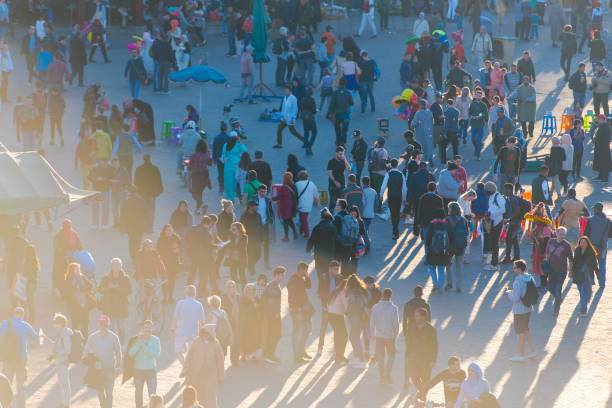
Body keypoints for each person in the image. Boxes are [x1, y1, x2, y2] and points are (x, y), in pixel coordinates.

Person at [0, 307, 38, 408]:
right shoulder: (25, 325)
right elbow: (35, 337)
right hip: (21, 359)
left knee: (6, 383)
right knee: (20, 384)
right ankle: (21, 406)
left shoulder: (4, 324)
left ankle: (7, 405)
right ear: (22, 314)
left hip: (7, 358)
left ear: (13, 314)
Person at [84, 314, 122, 408]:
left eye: (106, 325)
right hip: (98, 370)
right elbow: (86, 351)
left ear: (108, 325)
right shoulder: (93, 337)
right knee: (100, 393)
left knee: (109, 393)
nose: (104, 327)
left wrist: (117, 367)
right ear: (99, 325)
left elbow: (119, 353)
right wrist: (91, 362)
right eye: (102, 324)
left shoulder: (114, 337)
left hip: (110, 369)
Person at [182, 325, 224, 408]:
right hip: (196, 374)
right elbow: (189, 356)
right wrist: (185, 370)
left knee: (210, 397)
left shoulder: (216, 343)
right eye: (204, 333)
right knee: (197, 396)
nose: (205, 335)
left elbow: (220, 361)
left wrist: (220, 377)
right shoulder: (196, 341)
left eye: (207, 333)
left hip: (210, 375)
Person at [504, 259, 537, 361]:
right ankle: (532, 351)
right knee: (526, 330)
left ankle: (521, 354)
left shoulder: (517, 281)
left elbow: (516, 299)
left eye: (514, 268)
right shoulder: (530, 278)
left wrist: (509, 294)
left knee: (520, 333)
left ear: (519, 269)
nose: (513, 270)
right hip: (528, 308)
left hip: (519, 310)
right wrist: (513, 292)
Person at [98, 258, 132, 344]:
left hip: (121, 307)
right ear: (111, 267)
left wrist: (118, 288)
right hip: (109, 307)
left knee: (121, 327)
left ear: (121, 266)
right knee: (110, 327)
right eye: (114, 265)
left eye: (118, 265)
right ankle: (110, 344)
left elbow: (129, 291)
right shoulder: (106, 278)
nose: (116, 267)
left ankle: (122, 344)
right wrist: (108, 287)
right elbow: (100, 289)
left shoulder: (125, 278)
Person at [128, 320, 161, 408]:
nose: (147, 330)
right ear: (142, 329)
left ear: (153, 329)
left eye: (149, 328)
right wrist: (138, 344)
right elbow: (130, 353)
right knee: (138, 393)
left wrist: (143, 346)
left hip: (151, 371)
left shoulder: (156, 340)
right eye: (145, 328)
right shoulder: (137, 339)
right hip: (138, 371)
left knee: (152, 395)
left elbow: (155, 354)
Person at [405, 308, 438, 393]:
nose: (415, 317)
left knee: (425, 378)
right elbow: (408, 343)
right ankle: (422, 391)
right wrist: (407, 356)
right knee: (414, 376)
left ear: (423, 317)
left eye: (417, 316)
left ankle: (423, 396)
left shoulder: (431, 329)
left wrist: (433, 360)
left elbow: (434, 346)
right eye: (415, 316)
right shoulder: (411, 327)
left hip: (426, 359)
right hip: (414, 357)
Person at [171, 285, 206, 366]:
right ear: (195, 294)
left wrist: (172, 329)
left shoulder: (180, 303)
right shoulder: (199, 305)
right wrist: (202, 333)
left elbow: (175, 318)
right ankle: (190, 367)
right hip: (193, 332)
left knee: (177, 351)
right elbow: (202, 322)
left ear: (185, 293)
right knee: (191, 353)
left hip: (181, 331)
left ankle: (185, 365)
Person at [370, 287, 399, 382]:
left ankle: (381, 375)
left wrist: (372, 334)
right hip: (390, 336)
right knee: (391, 355)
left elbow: (372, 322)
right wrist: (396, 335)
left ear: (383, 295)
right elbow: (396, 324)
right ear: (391, 296)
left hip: (379, 336)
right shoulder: (394, 308)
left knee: (380, 357)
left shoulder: (375, 307)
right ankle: (387, 372)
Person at [287, 262, 313, 363]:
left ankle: (301, 351)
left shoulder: (301, 278)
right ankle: (297, 355)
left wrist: (307, 277)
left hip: (304, 309)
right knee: (297, 332)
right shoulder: (294, 279)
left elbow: (309, 286)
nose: (306, 272)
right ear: (301, 269)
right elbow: (292, 297)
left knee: (307, 329)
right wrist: (297, 311)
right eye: (305, 270)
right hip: (297, 310)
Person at [545, 227, 574, 316]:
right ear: (556, 233)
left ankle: (556, 310)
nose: (562, 236)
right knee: (549, 287)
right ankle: (558, 298)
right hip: (551, 270)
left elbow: (571, 259)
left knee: (558, 289)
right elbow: (547, 253)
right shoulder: (551, 241)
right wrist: (546, 264)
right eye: (560, 234)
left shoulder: (566, 245)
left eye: (564, 234)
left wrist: (570, 271)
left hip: (561, 271)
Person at [47, 313, 72, 408]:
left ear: (61, 323)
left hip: (63, 361)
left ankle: (66, 404)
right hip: (60, 360)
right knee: (62, 382)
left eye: (56, 322)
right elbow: (59, 346)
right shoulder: (61, 332)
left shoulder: (64, 333)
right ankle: (64, 402)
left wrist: (59, 354)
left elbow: (67, 349)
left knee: (64, 383)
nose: (54, 324)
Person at [63, 263, 95, 339]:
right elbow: (65, 293)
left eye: (79, 269)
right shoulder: (68, 280)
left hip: (84, 305)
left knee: (85, 326)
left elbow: (90, 286)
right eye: (76, 269)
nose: (78, 271)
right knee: (75, 326)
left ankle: (85, 342)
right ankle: (75, 343)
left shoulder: (83, 278)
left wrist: (82, 289)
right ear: (72, 271)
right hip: (74, 306)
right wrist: (75, 289)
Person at [134, 154, 163, 233]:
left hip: (142, 194)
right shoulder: (155, 169)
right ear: (150, 159)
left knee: (142, 211)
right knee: (151, 211)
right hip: (151, 194)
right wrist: (159, 191)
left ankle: (143, 227)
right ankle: (150, 228)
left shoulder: (138, 169)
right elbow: (159, 181)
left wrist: (137, 192)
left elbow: (136, 182)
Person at [262, 266, 286, 364]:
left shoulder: (275, 285)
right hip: (272, 316)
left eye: (283, 275)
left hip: (273, 315)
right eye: (281, 275)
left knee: (274, 334)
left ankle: (269, 354)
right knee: (274, 334)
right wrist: (274, 314)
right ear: (276, 275)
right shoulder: (272, 286)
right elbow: (270, 302)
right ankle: (268, 354)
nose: (283, 277)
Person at [584, 202, 611, 288]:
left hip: (591, 246)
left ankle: (591, 280)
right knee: (602, 265)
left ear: (596, 209)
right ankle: (602, 283)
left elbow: (586, 234)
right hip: (602, 247)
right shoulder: (608, 221)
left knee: (590, 264)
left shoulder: (590, 220)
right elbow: (610, 235)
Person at [52, 219, 83, 295]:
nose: (68, 228)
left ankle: (70, 287)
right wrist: (64, 251)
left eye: (69, 226)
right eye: (67, 226)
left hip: (71, 257)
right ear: (63, 227)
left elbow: (79, 244)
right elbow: (57, 246)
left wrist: (82, 251)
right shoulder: (59, 235)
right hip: (61, 258)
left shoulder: (73, 233)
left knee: (71, 272)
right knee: (60, 273)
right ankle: (58, 288)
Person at [380, 158, 407, 240]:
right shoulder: (401, 174)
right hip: (399, 196)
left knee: (392, 212)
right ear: (397, 165)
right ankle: (396, 229)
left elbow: (383, 186)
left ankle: (395, 230)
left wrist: (381, 195)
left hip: (391, 196)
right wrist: (404, 198)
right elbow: (405, 188)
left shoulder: (388, 174)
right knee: (397, 212)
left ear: (391, 165)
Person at [119, 187, 150, 260]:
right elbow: (147, 214)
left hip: (130, 226)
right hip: (140, 225)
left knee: (131, 241)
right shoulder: (142, 201)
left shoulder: (127, 202)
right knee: (138, 241)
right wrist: (145, 223)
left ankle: (133, 256)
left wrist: (122, 228)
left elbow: (123, 216)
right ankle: (136, 256)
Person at [483, 182, 506, 270]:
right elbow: (491, 208)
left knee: (495, 243)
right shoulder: (491, 197)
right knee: (492, 242)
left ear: (489, 190)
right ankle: (493, 262)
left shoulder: (498, 197)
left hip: (497, 222)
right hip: (492, 222)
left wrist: (492, 213)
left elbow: (503, 210)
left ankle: (494, 264)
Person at [327, 77, 354, 147]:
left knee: (337, 129)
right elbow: (351, 103)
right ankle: (343, 142)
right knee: (344, 130)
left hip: (338, 114)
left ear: (339, 84)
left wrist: (329, 113)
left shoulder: (335, 93)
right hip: (346, 114)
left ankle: (338, 140)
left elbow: (332, 104)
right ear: (345, 84)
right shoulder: (348, 93)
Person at [221, 134, 248, 202]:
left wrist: (227, 161)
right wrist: (241, 142)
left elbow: (223, 156)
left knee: (229, 182)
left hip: (228, 167)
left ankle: (230, 198)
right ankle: (239, 196)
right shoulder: (238, 144)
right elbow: (245, 151)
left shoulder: (226, 144)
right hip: (237, 166)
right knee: (238, 182)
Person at [295, 170, 319, 238]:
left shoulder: (297, 184)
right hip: (309, 204)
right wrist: (318, 203)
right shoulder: (311, 183)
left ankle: (307, 233)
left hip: (301, 205)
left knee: (303, 219)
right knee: (303, 217)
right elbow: (316, 194)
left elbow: (295, 195)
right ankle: (301, 231)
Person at [412, 99, 435, 164]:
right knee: (429, 145)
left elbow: (414, 123)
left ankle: (423, 160)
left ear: (421, 105)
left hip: (420, 132)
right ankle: (430, 157)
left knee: (421, 146)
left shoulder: (418, 113)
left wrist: (412, 127)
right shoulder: (430, 113)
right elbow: (432, 122)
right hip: (429, 131)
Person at [468, 88, 488, 160]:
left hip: (480, 125)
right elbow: (469, 113)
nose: (478, 97)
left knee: (479, 140)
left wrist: (480, 116)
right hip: (473, 124)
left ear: (482, 97)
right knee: (473, 140)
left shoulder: (483, 105)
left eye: (480, 96)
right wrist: (472, 117)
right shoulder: (472, 104)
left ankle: (478, 155)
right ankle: (476, 149)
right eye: (477, 96)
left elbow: (486, 114)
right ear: (475, 96)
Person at [592, 114, 611, 182]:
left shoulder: (605, 127)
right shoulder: (601, 126)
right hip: (599, 148)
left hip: (604, 148)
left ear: (602, 119)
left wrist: (597, 140)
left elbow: (605, 138)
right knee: (600, 162)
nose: (598, 121)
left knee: (604, 163)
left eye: (599, 119)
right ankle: (600, 176)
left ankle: (605, 177)